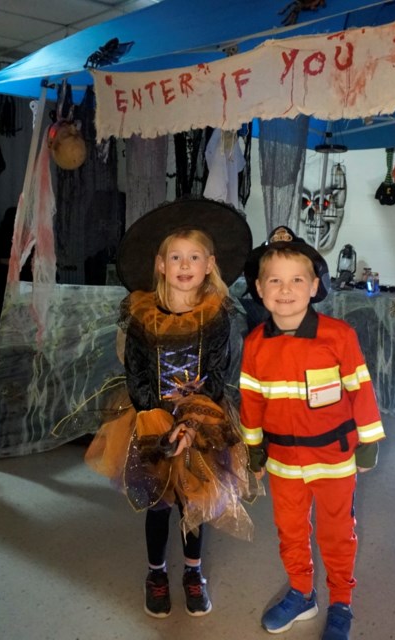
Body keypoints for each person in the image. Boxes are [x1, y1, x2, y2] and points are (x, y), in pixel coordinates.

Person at [82, 197, 256, 620]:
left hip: (203, 421)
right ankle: (156, 572)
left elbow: (217, 375)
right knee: (158, 501)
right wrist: (160, 422)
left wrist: (192, 425)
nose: (184, 264)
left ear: (209, 264)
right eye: (175, 256)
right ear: (160, 264)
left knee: (195, 499)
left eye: (194, 257)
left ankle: (193, 573)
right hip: (150, 421)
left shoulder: (217, 316)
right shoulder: (142, 314)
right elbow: (137, 374)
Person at [239, 239, 385, 640]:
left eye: (296, 280)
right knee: (290, 529)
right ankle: (303, 593)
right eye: (275, 281)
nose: (285, 290)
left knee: (337, 533)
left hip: (334, 460)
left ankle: (341, 602)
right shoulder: (253, 345)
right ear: (260, 288)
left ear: (314, 286)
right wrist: (253, 446)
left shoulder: (338, 336)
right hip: (284, 462)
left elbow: (360, 388)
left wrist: (369, 440)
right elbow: (250, 400)